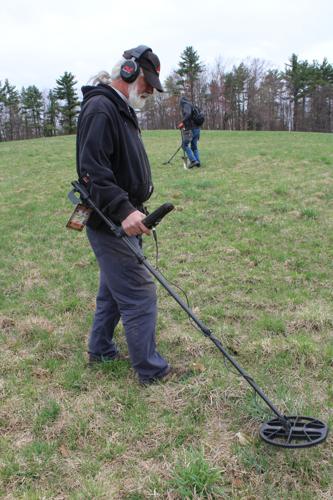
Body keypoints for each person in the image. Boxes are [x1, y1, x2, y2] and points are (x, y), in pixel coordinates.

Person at [76, 45, 171, 385]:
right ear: (129, 72)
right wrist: (124, 210)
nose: (149, 90)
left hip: (122, 217)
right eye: (147, 82)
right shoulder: (102, 108)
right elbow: (92, 172)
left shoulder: (119, 109)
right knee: (139, 292)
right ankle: (151, 370)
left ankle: (100, 349)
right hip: (111, 221)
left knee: (113, 291)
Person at [177, 96, 202, 168]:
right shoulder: (192, 105)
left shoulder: (186, 105)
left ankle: (193, 161)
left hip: (191, 129)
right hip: (197, 129)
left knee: (184, 145)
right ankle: (198, 162)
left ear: (181, 102)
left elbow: (188, 114)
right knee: (194, 146)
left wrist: (182, 122)